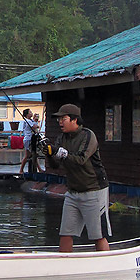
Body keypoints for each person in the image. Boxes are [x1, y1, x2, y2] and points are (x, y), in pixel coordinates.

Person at [45, 103, 111, 252]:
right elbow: (55, 165)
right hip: (73, 192)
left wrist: (59, 151)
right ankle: (64, 265)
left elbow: (81, 159)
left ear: (75, 120)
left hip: (94, 190)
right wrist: (49, 153)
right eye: (59, 119)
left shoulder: (88, 135)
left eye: (64, 118)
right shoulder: (62, 138)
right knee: (65, 233)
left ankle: (105, 263)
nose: (60, 122)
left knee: (98, 234)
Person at [18, 108, 39, 175]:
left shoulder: (29, 120)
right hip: (28, 139)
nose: (31, 113)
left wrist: (34, 120)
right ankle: (21, 170)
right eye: (30, 112)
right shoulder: (27, 121)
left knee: (33, 154)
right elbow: (35, 126)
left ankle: (39, 169)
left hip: (30, 138)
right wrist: (36, 121)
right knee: (28, 155)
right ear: (27, 114)